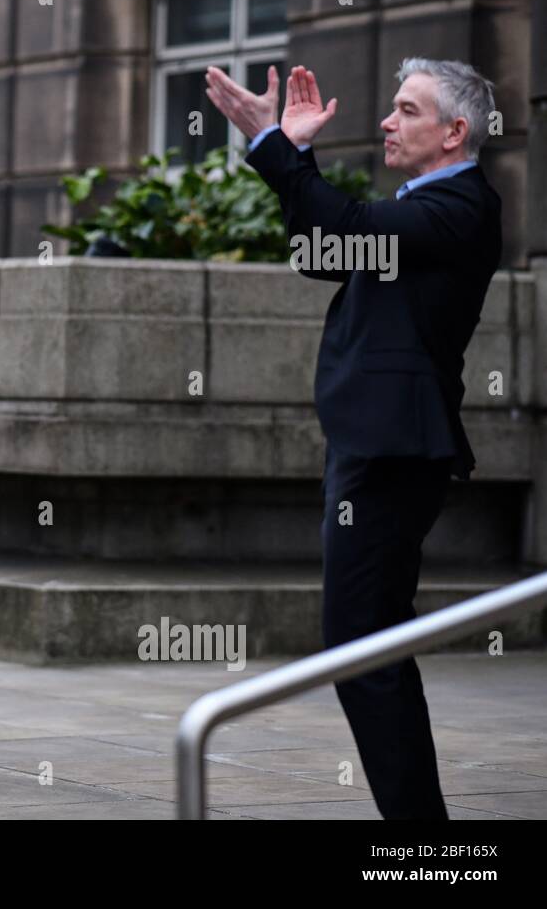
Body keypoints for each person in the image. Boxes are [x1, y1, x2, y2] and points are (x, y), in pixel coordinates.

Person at [205, 58, 502, 819]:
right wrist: (290, 152)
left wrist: (272, 140)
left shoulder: (461, 205)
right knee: (367, 645)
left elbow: (345, 227)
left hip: (396, 452)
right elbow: (322, 249)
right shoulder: (422, 205)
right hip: (373, 448)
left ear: (454, 132)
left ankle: (423, 844)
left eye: (407, 110)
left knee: (362, 648)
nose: (386, 122)